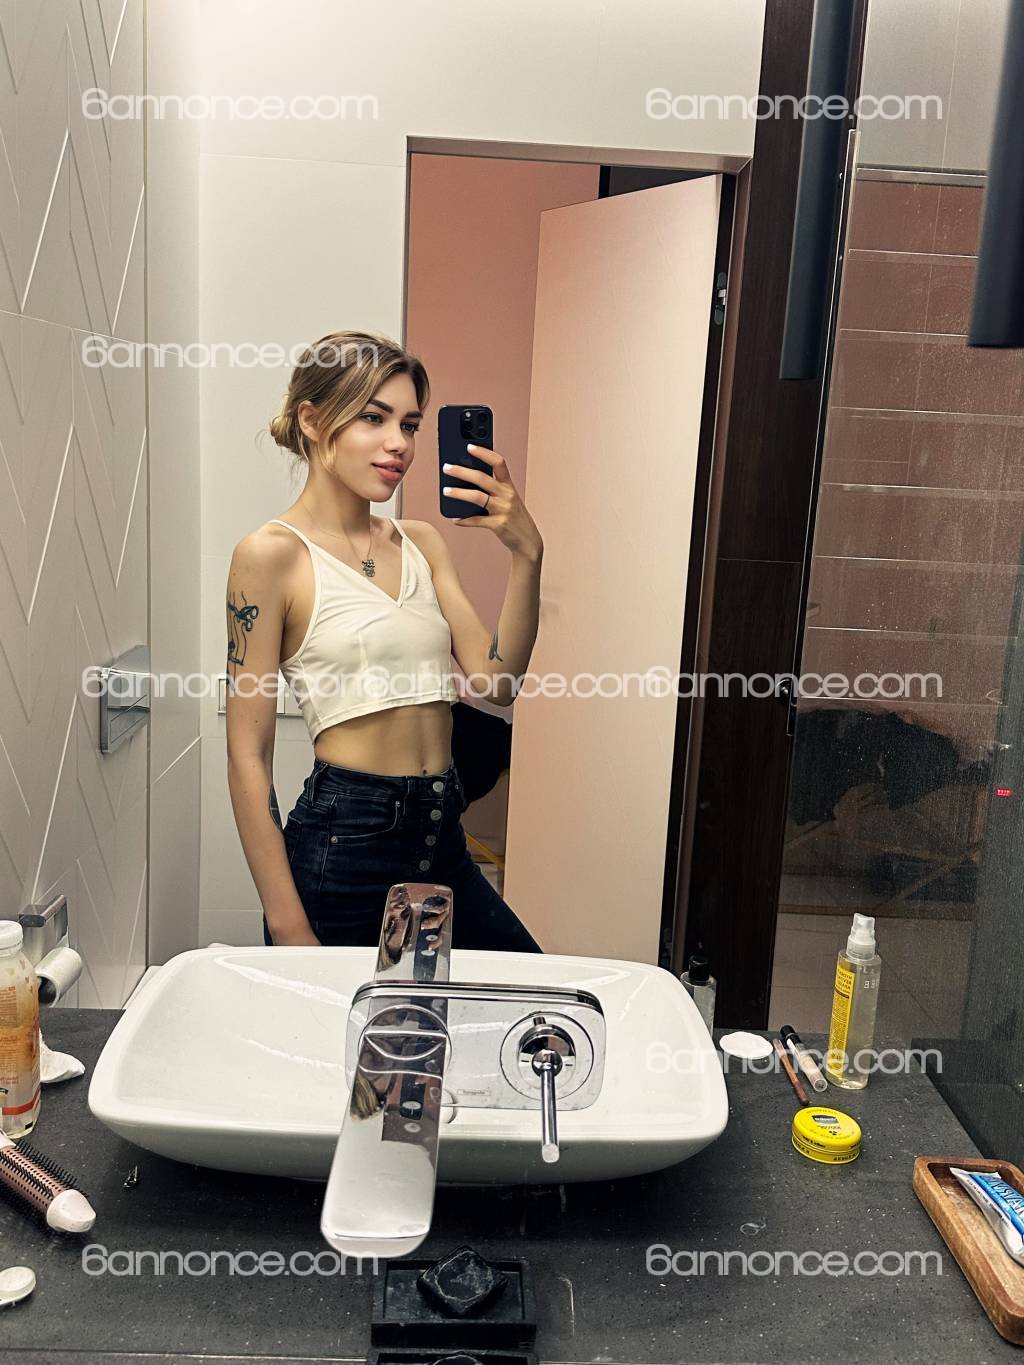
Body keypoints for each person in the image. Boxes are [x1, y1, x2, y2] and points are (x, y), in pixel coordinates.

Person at [225, 330, 543, 952]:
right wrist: (289, 926)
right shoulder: (270, 556)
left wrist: (527, 554)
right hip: (345, 845)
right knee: (355, 1021)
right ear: (312, 421)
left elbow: (497, 682)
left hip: (443, 837)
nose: (399, 443)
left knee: (533, 996)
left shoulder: (421, 541)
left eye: (410, 424)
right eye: (374, 418)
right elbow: (247, 755)